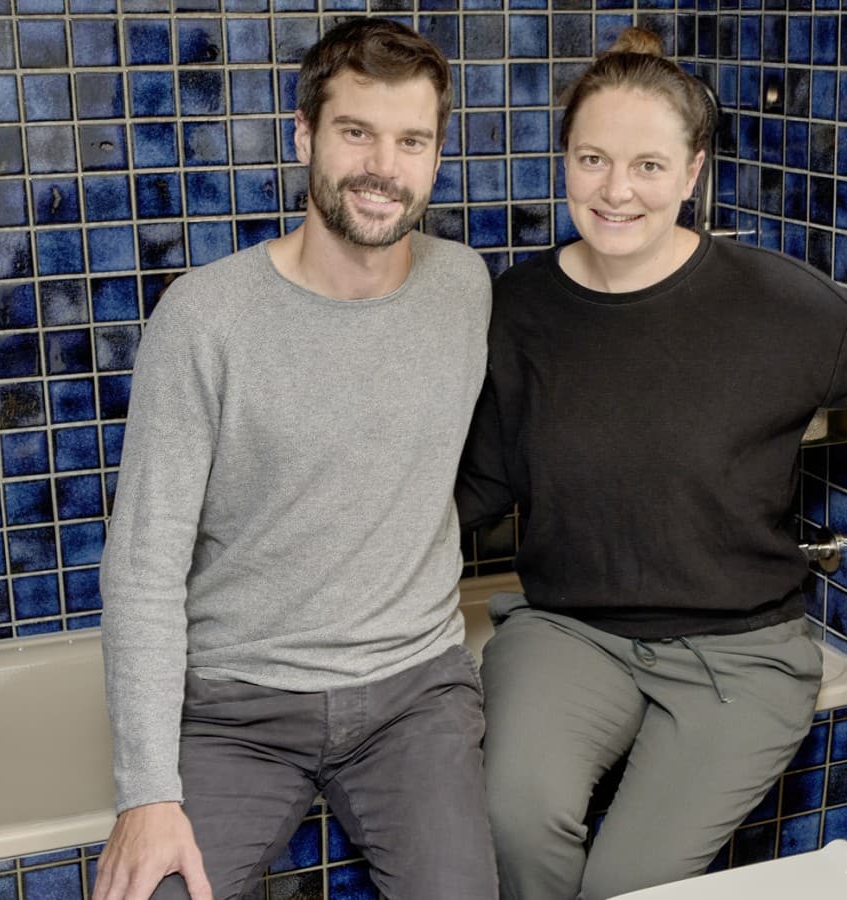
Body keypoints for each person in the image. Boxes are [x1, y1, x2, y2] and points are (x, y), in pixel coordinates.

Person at [456, 27, 847, 900]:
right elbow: (475, 485)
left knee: (628, 886)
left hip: (740, 656)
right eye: (592, 159)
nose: (617, 190)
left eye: (648, 166)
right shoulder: (518, 308)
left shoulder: (771, 302)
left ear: (694, 171)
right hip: (569, 633)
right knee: (513, 817)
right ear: (564, 159)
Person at [93, 19, 496, 900]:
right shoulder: (205, 319)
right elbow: (145, 566)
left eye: (412, 140)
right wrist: (147, 792)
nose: (383, 167)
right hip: (238, 704)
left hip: (412, 695)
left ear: (436, 156)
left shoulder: (466, 288)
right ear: (305, 134)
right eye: (356, 132)